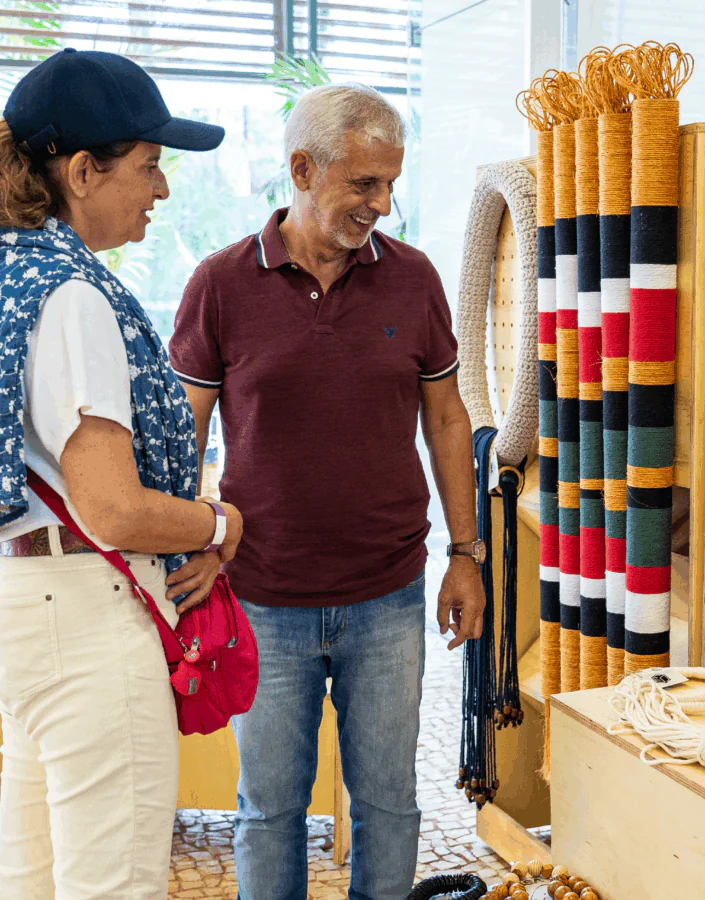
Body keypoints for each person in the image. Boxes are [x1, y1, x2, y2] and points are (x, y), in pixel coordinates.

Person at [169, 83, 486, 900]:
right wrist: (187, 544)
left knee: (389, 802)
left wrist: (466, 554)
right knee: (268, 808)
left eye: (390, 183)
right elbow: (183, 435)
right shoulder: (220, 283)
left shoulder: (412, 279)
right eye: (364, 184)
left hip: (385, 595)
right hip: (262, 598)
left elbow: (446, 420)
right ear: (302, 170)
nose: (382, 204)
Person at [0, 49, 244, 900]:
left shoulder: (7, 272)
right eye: (149, 165)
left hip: (18, 611)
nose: (162, 189)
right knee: (112, 886)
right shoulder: (70, 294)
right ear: (79, 170)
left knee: (28, 878)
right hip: (84, 625)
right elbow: (111, 508)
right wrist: (219, 526)